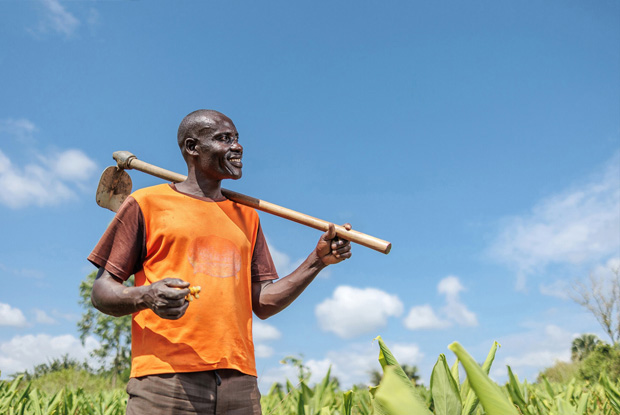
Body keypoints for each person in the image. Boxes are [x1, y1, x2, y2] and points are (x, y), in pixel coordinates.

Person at [87, 109, 352, 415]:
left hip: (239, 382)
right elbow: (102, 291)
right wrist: (146, 295)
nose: (237, 147)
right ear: (192, 148)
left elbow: (262, 302)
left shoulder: (247, 217)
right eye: (224, 139)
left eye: (237, 139)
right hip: (165, 377)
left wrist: (317, 261)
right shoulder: (147, 204)